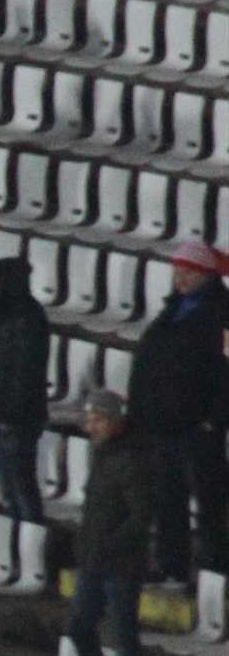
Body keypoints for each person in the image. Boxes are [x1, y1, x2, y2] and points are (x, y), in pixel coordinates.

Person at [136, 243, 229, 584]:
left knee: (208, 502)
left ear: (205, 274)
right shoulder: (172, 310)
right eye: (177, 272)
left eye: (188, 272)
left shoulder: (222, 315)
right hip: (165, 424)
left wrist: (214, 419)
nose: (181, 279)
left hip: (198, 427)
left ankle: (214, 569)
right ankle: (171, 565)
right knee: (168, 500)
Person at [72, 388, 150, 656]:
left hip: (120, 564)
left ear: (115, 420)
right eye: (89, 420)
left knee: (125, 638)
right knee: (79, 627)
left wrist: (110, 544)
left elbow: (140, 515)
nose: (91, 427)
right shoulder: (103, 453)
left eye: (98, 420)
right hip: (94, 558)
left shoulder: (131, 458)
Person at [0, 256, 51, 522]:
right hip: (3, 415)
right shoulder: (3, 315)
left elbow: (23, 374)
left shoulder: (26, 318)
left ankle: (33, 539)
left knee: (21, 488)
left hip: (17, 419)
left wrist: (8, 414)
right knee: (11, 489)